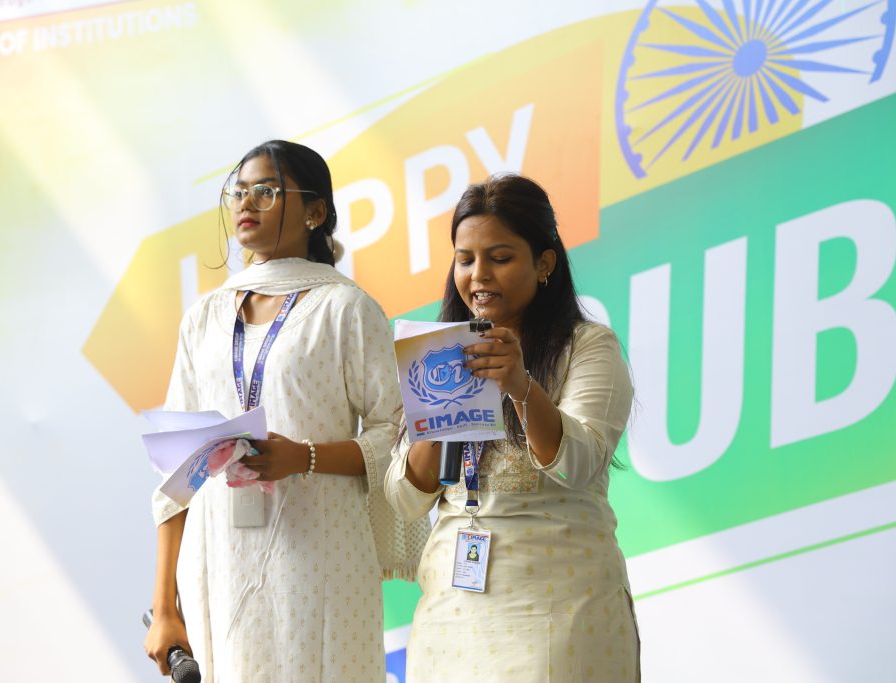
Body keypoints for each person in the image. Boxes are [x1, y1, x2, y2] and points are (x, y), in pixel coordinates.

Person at [144, 140, 427, 682]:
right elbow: (174, 475)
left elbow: (398, 435)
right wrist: (163, 608)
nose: (246, 203)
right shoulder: (204, 318)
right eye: (238, 192)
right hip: (217, 558)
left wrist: (305, 457)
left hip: (320, 556)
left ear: (315, 213)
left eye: (267, 191)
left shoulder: (345, 307)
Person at [384, 173, 639, 682]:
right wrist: (440, 406)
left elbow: (579, 465)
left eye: (499, 258)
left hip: (561, 614)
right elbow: (405, 498)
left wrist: (520, 385)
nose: (479, 275)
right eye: (465, 259)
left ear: (544, 263)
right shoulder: (437, 354)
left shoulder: (587, 346)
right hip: (451, 617)